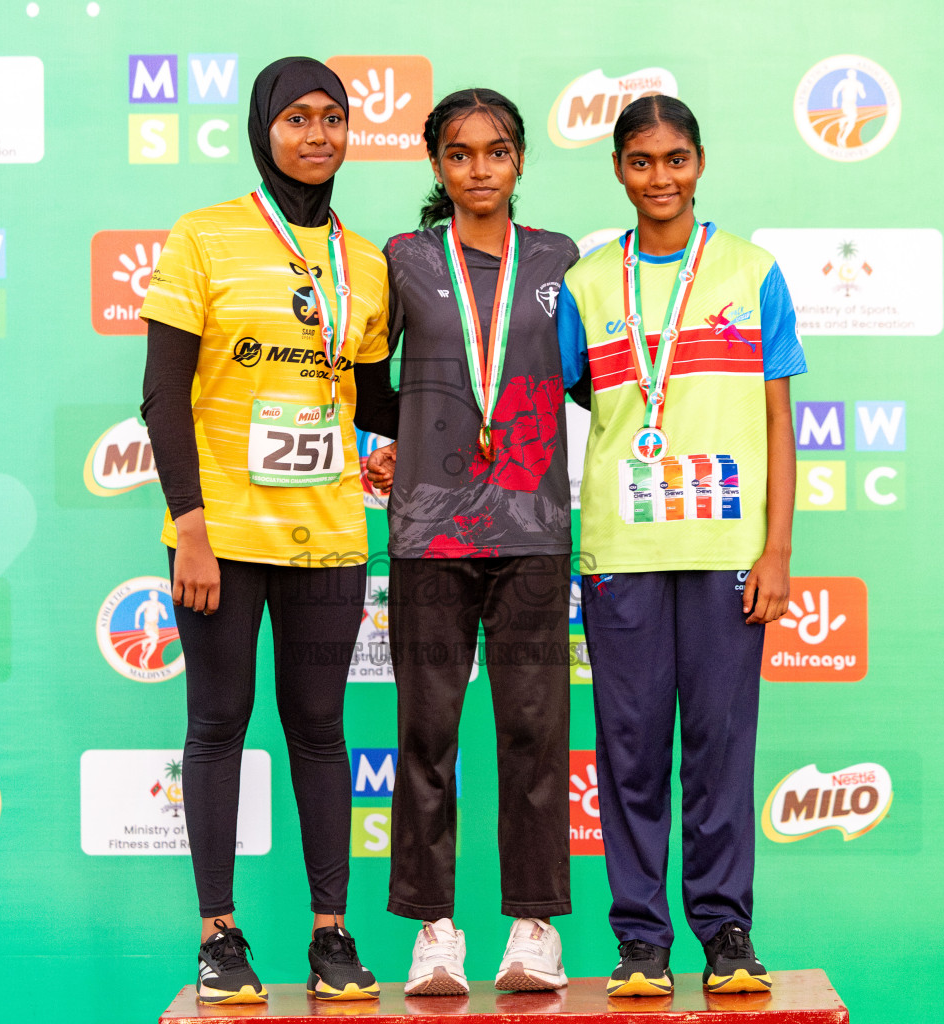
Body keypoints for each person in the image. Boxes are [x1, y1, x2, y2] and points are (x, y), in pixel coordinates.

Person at [139, 56, 396, 1005]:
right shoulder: (203, 236)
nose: (318, 134)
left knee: (321, 728)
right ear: (264, 129)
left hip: (327, 532)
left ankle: (331, 933)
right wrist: (191, 529)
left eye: (334, 116)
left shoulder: (366, 262)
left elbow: (374, 399)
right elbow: (163, 396)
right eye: (298, 117)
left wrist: (425, 436)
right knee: (218, 721)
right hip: (222, 535)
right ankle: (219, 936)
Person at [557, 94, 805, 997]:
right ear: (618, 170)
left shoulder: (752, 271)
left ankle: (726, 929)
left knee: (719, 747)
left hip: (728, 548)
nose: (659, 177)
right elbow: (580, 402)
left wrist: (777, 551)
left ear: (700, 162)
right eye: (641, 161)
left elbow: (778, 422)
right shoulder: (588, 283)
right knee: (628, 749)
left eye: (675, 159)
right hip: (621, 549)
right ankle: (640, 942)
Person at [364, 88, 580, 997]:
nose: (478, 169)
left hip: (533, 530)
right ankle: (434, 932)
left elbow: (591, 380)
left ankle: (534, 929)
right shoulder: (405, 259)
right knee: (426, 734)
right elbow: (366, 379)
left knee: (535, 732)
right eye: (459, 154)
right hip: (429, 531)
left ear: (520, 160)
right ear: (437, 165)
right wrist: (406, 440)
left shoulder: (561, 259)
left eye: (496, 151)